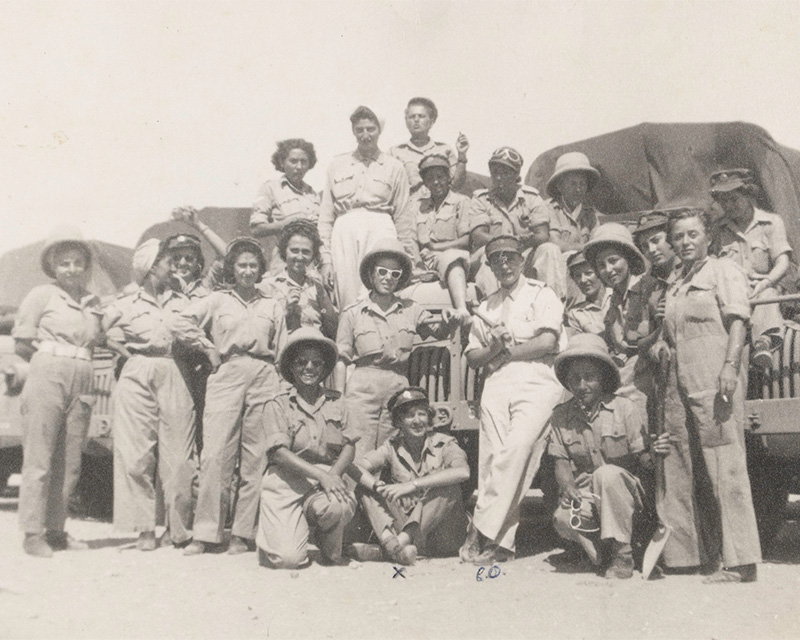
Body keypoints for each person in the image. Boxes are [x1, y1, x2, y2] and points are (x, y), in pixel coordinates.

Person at [659, 207, 761, 583]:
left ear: (707, 237)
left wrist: (731, 367)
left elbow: (738, 321)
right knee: (683, 466)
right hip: (678, 382)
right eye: (678, 237)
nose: (685, 242)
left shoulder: (723, 271)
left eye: (692, 235)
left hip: (714, 376)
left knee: (725, 467)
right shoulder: (673, 280)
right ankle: (690, 556)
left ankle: (741, 562)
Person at [175, 238, 287, 556]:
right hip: (227, 374)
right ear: (232, 269)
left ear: (261, 270)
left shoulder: (273, 305)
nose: (248, 271)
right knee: (214, 454)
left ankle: (242, 533)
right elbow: (180, 321)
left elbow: (281, 349)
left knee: (255, 458)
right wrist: (207, 347)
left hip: (265, 376)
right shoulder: (217, 301)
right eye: (241, 266)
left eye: (253, 266)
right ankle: (206, 533)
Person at [461, 235, 566, 565]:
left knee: (518, 448)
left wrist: (506, 353)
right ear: (490, 267)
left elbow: (548, 341)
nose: (504, 264)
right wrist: (494, 349)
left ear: (522, 261)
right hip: (496, 379)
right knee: (492, 458)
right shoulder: (487, 306)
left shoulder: (542, 293)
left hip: (537, 376)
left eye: (510, 257)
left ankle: (480, 528)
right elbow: (475, 357)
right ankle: (502, 543)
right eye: (496, 260)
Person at [13, 227, 103, 557]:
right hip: (48, 372)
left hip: (83, 375)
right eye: (64, 263)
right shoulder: (41, 295)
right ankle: (32, 533)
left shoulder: (94, 303)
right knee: (40, 456)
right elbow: (23, 343)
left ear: (86, 266)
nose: (71, 269)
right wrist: (50, 363)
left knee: (70, 461)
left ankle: (56, 529)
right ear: (53, 266)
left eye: (78, 263)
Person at [548, 333, 669, 579]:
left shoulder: (624, 408)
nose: (582, 386)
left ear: (603, 379)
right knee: (563, 519)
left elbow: (642, 460)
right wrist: (568, 485)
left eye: (589, 377)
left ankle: (623, 554)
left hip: (628, 498)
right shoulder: (561, 416)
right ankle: (603, 551)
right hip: (591, 495)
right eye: (575, 379)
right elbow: (560, 460)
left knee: (606, 475)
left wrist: (654, 454)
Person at [103, 239, 197, 551]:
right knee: (135, 453)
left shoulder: (184, 301)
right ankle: (143, 529)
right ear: (151, 267)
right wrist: (122, 351)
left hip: (174, 369)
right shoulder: (125, 303)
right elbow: (95, 328)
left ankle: (176, 528)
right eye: (168, 260)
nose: (175, 266)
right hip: (137, 370)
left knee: (180, 458)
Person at [336, 238, 455, 456]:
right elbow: (341, 360)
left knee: (389, 452)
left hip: (397, 386)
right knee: (357, 450)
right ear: (371, 274)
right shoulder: (353, 312)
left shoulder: (412, 308)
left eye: (395, 274)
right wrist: (338, 397)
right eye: (382, 272)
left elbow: (438, 331)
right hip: (362, 387)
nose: (387, 278)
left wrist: (449, 321)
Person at [257, 327, 358, 569]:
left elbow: (349, 445)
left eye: (316, 363)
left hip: (323, 481)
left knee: (340, 505)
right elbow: (279, 454)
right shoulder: (277, 404)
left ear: (324, 368)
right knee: (288, 560)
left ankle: (326, 543)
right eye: (301, 362)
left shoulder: (338, 401)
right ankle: (282, 532)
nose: (309, 368)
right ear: (291, 367)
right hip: (286, 482)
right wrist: (323, 475)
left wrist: (332, 475)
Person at [350, 387, 470, 565]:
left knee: (448, 486)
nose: (417, 421)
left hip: (443, 536)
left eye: (422, 414)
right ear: (398, 422)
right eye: (409, 415)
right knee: (365, 487)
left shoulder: (445, 444)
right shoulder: (391, 447)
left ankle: (392, 547)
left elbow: (463, 472)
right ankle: (396, 547)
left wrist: (413, 485)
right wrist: (377, 486)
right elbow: (356, 467)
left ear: (429, 418)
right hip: (409, 529)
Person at [318, 106, 413, 309]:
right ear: (353, 131)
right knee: (346, 292)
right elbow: (326, 216)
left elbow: (403, 216)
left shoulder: (394, 166)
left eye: (371, 129)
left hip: (380, 229)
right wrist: (325, 259)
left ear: (379, 131)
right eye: (360, 129)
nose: (365, 135)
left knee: (379, 289)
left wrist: (407, 258)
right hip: (344, 231)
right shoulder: (337, 164)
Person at [710, 169, 792, 368]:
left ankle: (763, 342)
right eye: (723, 201)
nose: (728, 206)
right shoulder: (718, 229)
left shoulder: (771, 223)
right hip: (731, 293)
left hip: (763, 290)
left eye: (734, 199)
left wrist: (766, 281)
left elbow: (782, 261)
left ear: (749, 196)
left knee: (768, 295)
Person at [468, 146, 565, 299]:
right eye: (495, 173)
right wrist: (507, 244)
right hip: (493, 254)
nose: (499, 178)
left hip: (522, 254)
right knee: (488, 256)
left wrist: (519, 245)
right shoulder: (481, 200)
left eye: (505, 173)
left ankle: (552, 307)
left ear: (516, 175)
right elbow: (478, 236)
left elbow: (542, 234)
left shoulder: (532, 198)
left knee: (549, 249)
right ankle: (494, 313)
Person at [583, 223, 650, 427]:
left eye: (613, 261)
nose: (608, 270)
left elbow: (645, 338)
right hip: (625, 367)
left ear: (628, 258)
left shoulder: (647, 288)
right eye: (601, 265)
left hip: (645, 369)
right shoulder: (613, 300)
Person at [407, 153, 471, 323]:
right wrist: (418, 263)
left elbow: (466, 241)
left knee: (452, 258)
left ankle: (462, 310)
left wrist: (436, 248)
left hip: (452, 258)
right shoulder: (417, 206)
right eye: (430, 179)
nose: (435, 182)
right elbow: (411, 238)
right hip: (423, 262)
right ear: (425, 183)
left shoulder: (461, 202)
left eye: (440, 177)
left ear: (448, 177)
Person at [250, 139, 321, 274]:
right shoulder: (270, 188)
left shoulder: (313, 195)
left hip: (311, 265)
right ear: (282, 162)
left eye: (303, 161)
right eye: (293, 161)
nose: (299, 167)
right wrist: (288, 223)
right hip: (283, 264)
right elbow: (256, 229)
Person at [262, 219, 338, 339]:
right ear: (284, 251)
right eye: (294, 250)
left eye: (306, 252)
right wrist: (285, 311)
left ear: (313, 254)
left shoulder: (317, 286)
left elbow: (333, 331)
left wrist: (324, 299)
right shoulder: (268, 286)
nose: (300, 257)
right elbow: (262, 333)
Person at [389, 97, 469, 198]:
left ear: (431, 121)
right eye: (412, 116)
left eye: (421, 116)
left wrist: (462, 154)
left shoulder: (444, 150)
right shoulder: (395, 152)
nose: (416, 120)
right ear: (406, 121)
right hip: (411, 208)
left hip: (441, 208)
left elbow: (457, 186)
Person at [545, 152, 604, 252]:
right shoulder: (549, 208)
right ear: (560, 186)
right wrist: (587, 248)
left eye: (582, 184)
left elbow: (598, 240)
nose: (578, 190)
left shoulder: (590, 213)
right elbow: (555, 242)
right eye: (573, 184)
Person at [564, 251, 609, 337]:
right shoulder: (576, 313)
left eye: (588, 273)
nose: (583, 280)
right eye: (577, 276)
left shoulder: (619, 297)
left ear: (600, 273)